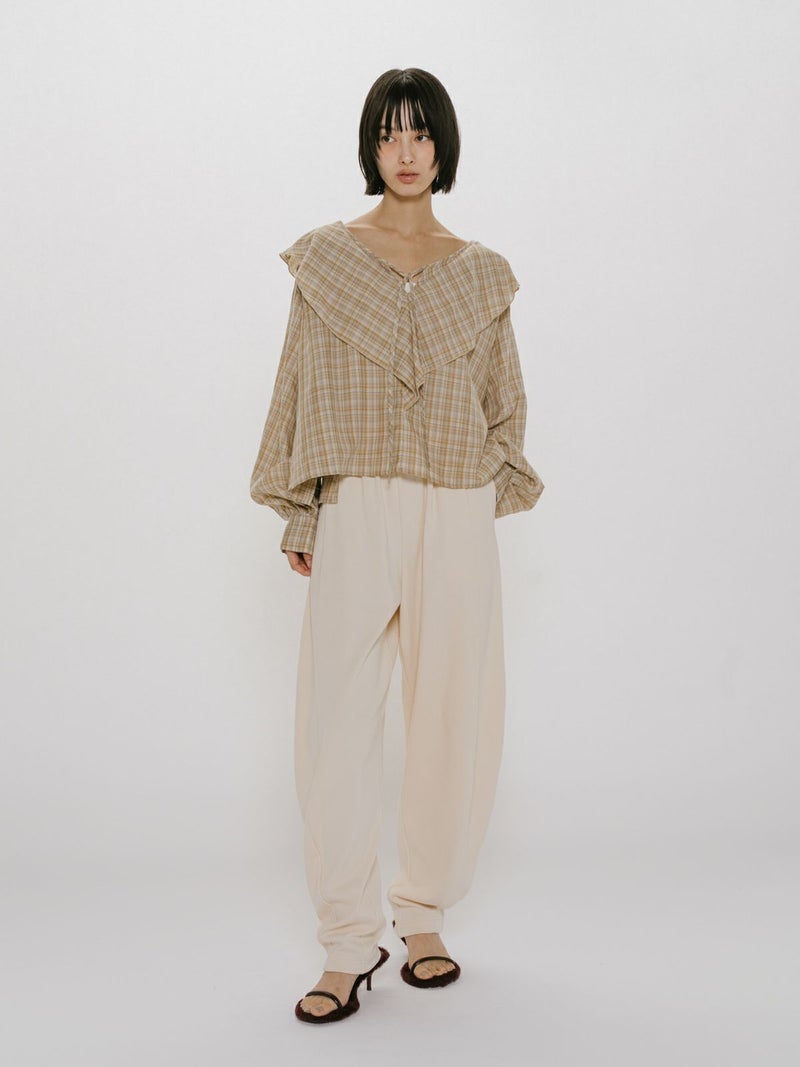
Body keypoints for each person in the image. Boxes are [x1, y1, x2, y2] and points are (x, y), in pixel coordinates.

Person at [249, 67, 545, 1024]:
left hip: (454, 501)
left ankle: (423, 914)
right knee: (335, 720)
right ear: (370, 146)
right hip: (355, 499)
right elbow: (296, 387)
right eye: (388, 133)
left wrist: (479, 487)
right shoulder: (326, 261)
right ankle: (348, 940)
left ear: (443, 146)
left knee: (452, 709)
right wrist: (304, 511)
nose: (406, 152)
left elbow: (504, 401)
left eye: (421, 133)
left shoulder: (483, 273)